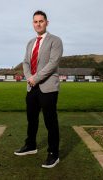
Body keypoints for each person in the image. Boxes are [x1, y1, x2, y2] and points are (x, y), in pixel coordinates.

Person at [14, 10, 63, 169]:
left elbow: (53, 63)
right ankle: (31, 145)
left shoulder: (55, 41)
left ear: (46, 23)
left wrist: (36, 78)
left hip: (47, 86)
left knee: (50, 122)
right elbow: (25, 62)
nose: (38, 24)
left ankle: (53, 154)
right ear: (33, 23)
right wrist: (29, 77)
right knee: (31, 119)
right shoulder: (30, 43)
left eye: (41, 21)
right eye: (35, 21)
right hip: (31, 86)